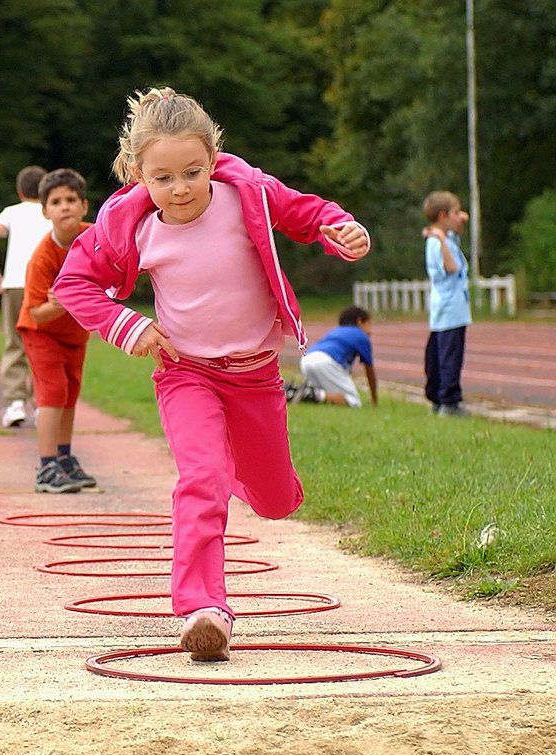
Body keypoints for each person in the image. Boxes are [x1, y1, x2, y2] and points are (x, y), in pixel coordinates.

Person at [54, 88, 370, 662]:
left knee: (274, 500)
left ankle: (248, 476)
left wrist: (341, 229)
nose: (180, 189)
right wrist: (128, 325)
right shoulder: (130, 223)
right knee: (201, 476)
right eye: (163, 178)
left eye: (192, 172)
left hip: (256, 375)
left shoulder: (245, 192)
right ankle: (204, 608)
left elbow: (307, 213)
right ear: (138, 176)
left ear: (213, 158)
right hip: (185, 374)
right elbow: (73, 284)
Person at [16, 169, 97, 493]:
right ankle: (46, 466)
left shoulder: (93, 238)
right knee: (53, 392)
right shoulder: (43, 257)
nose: (64, 207)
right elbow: (37, 310)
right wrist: (64, 302)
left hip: (75, 335)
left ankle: (64, 458)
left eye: (71, 200)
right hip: (42, 331)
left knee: (70, 394)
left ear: (84, 206)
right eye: (56, 202)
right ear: (45, 211)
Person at [0, 165, 48, 428]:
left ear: (20, 190)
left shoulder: (11, 212)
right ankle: (42, 403)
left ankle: (14, 402)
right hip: (44, 286)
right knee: (43, 342)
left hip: (14, 283)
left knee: (14, 341)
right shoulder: (49, 212)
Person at [422, 190, 472, 417]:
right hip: (450, 310)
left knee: (438, 354)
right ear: (443, 216)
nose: (460, 216)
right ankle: (449, 402)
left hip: (446, 310)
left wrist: (459, 219)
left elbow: (459, 227)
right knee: (449, 357)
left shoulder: (447, 237)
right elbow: (452, 267)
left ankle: (437, 397)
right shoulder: (437, 242)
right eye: (455, 212)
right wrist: (441, 240)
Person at [291, 306, 378, 407]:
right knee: (353, 401)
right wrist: (374, 399)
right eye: (369, 324)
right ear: (359, 321)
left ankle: (296, 392)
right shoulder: (361, 335)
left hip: (306, 360)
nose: (371, 330)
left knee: (327, 392)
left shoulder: (336, 331)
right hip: (326, 362)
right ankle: (313, 394)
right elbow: (369, 370)